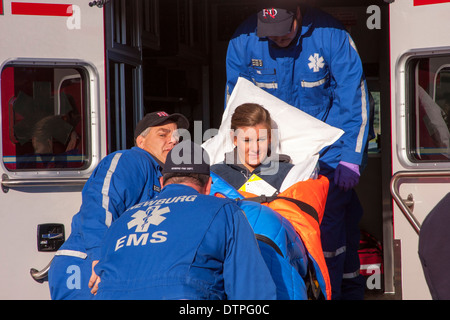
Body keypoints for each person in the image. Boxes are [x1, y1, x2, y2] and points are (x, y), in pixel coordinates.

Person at [225, 0, 370, 299]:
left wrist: (351, 158)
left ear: (298, 15)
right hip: (269, 162)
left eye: (283, 31)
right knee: (270, 232)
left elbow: (354, 100)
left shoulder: (331, 36)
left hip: (327, 160)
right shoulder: (243, 41)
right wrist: (234, 158)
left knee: (329, 241)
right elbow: (235, 106)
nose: (277, 39)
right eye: (270, 34)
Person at [91, 140, 277, 300]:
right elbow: (252, 291)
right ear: (208, 186)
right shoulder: (224, 211)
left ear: (162, 183)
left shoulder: (124, 219)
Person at [48, 111, 189, 300]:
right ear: (141, 141)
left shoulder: (165, 177)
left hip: (117, 270)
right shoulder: (132, 160)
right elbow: (100, 204)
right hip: (87, 265)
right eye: (163, 135)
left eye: (176, 137)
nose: (172, 141)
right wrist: (100, 258)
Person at [211, 103, 298, 193]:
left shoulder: (288, 173)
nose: (255, 148)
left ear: (269, 138)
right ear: (235, 139)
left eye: (260, 139)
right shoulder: (215, 175)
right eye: (247, 140)